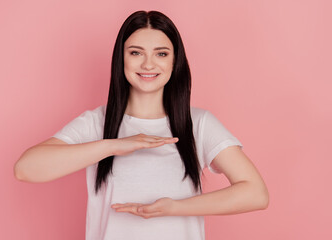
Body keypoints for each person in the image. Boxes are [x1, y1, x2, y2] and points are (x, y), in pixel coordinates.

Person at [14, 10, 269, 240]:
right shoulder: (96, 123)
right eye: (136, 53)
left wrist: (174, 208)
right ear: (121, 59)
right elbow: (26, 169)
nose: (148, 64)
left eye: (161, 54)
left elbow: (255, 194)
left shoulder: (198, 123)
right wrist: (114, 145)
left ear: (174, 62)